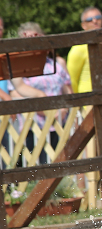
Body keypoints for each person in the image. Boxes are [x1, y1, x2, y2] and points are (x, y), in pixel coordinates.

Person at [15, 22, 72, 163]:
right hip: (35, 124)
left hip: (61, 121)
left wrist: (64, 109)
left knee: (62, 165)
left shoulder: (56, 63)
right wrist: (42, 99)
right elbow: (19, 88)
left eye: (36, 37)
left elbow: (67, 89)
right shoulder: (19, 66)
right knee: (37, 167)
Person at [67, 6, 102, 93]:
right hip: (88, 101)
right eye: (90, 19)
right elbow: (72, 80)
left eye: (98, 18)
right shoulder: (78, 48)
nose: (95, 21)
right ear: (83, 25)